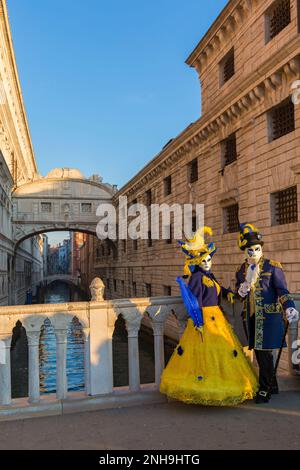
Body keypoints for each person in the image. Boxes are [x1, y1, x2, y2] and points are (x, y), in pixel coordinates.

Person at [160, 227, 258, 406]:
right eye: (203, 260)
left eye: (209, 260)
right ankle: (204, 389)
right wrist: (198, 320)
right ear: (197, 262)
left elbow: (219, 290)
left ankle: (221, 385)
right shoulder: (197, 277)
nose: (207, 263)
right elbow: (195, 299)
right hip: (205, 319)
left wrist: (231, 294)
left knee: (220, 354)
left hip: (217, 318)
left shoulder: (209, 275)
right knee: (206, 355)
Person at [236, 223, 299, 404]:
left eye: (257, 249)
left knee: (264, 354)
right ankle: (273, 385)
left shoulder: (273, 267)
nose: (253, 252)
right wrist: (241, 291)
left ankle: (264, 390)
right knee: (260, 353)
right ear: (245, 251)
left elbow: (282, 290)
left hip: (269, 318)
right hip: (251, 318)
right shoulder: (241, 270)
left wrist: (289, 306)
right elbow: (240, 294)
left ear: (261, 248)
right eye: (250, 250)